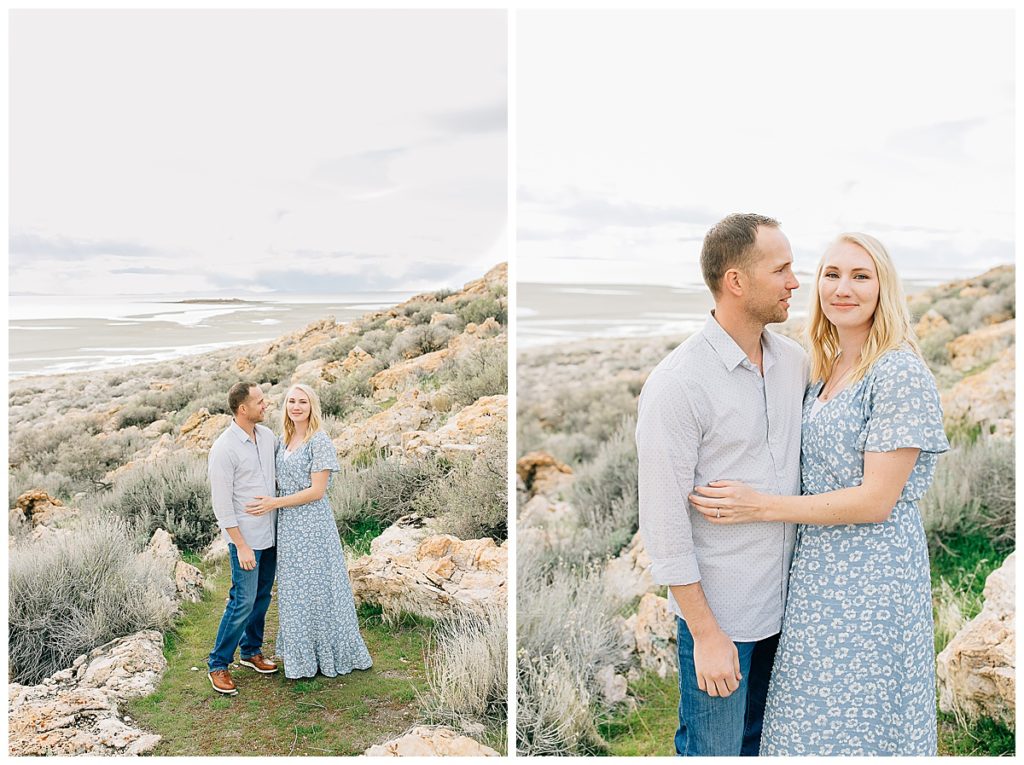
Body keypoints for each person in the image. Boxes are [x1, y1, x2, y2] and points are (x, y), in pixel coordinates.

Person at [689, 233, 949, 755]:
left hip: (874, 583)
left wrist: (759, 506)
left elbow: (876, 500)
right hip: (816, 580)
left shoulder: (896, 372)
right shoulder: (823, 371)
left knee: (861, 724)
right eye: (831, 275)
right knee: (803, 723)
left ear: (884, 288)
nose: (842, 289)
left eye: (860, 276)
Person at [636, 213, 807, 756]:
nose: (795, 282)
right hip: (723, 617)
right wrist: (708, 636)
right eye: (781, 270)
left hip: (792, 607)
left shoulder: (794, 364)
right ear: (736, 281)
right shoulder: (677, 385)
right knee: (713, 749)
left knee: (766, 746)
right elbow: (663, 526)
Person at [245, 383, 372, 679]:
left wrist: (274, 502)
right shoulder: (283, 439)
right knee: (295, 590)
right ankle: (302, 657)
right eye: (291, 401)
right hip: (289, 527)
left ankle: (329, 653)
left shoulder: (320, 441)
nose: (296, 406)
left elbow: (317, 491)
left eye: (302, 401)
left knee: (319, 587)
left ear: (312, 406)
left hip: (313, 524)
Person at [207, 381, 279, 695]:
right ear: (243, 409)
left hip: (271, 535)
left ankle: (251, 651)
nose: (266, 405)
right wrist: (241, 544)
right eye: (260, 402)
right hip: (246, 540)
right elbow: (222, 505)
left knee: (263, 598)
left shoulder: (268, 437)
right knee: (243, 601)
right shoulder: (223, 448)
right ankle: (218, 664)